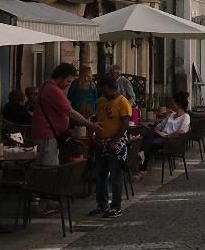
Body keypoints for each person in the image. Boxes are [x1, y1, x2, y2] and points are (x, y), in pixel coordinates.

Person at [31, 63, 95, 166]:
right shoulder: (53, 90)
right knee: (49, 167)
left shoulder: (47, 85)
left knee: (47, 164)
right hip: (47, 135)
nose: (68, 84)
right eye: (68, 81)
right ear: (60, 77)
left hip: (49, 134)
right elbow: (70, 112)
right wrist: (90, 124)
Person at [92, 74, 133, 217]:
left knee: (115, 175)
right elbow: (97, 118)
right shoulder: (101, 101)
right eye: (102, 92)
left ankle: (116, 206)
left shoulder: (122, 102)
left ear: (113, 88)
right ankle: (102, 204)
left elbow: (124, 124)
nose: (105, 94)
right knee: (100, 175)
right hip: (100, 142)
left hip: (115, 144)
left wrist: (115, 140)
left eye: (106, 91)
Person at [139, 93, 190, 176]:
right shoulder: (171, 115)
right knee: (148, 132)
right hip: (161, 136)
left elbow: (182, 131)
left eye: (173, 104)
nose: (171, 105)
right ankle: (142, 162)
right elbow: (159, 126)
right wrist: (158, 131)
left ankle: (142, 162)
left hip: (170, 140)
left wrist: (167, 136)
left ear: (179, 104)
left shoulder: (185, 117)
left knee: (150, 142)